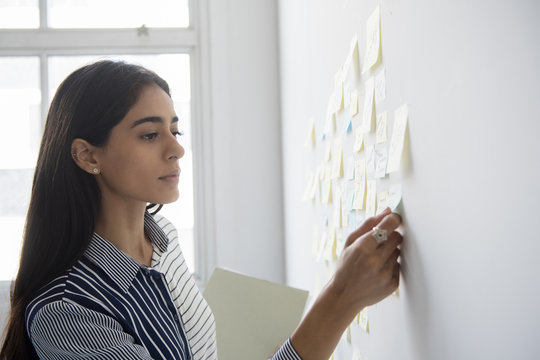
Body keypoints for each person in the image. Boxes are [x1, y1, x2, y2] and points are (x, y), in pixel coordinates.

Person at [0, 60, 402, 360]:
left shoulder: (164, 238)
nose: (176, 148)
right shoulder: (67, 311)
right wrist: (341, 298)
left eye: (175, 131)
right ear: (87, 155)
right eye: (150, 134)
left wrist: (342, 295)